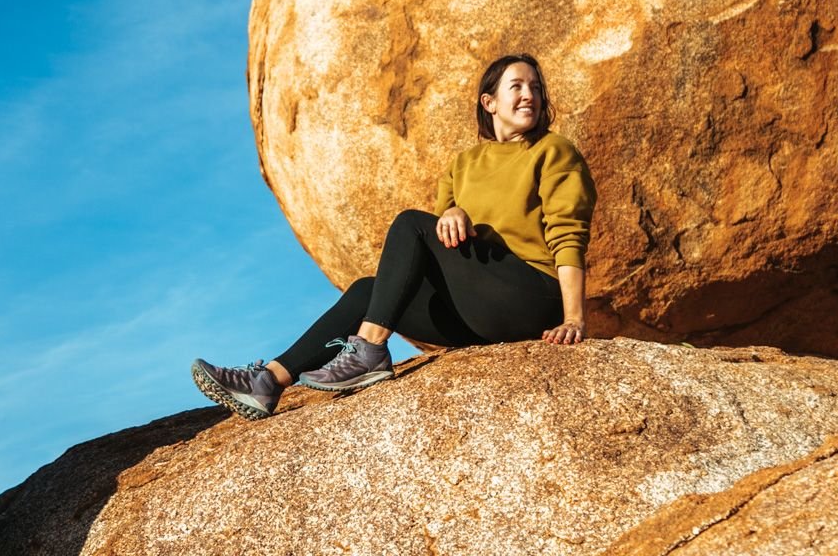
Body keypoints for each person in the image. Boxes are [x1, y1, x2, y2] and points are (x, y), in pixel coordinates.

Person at [191, 53, 596, 420]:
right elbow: (441, 243)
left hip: (531, 297)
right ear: (489, 103)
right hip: (479, 315)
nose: (529, 96)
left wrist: (573, 317)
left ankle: (368, 350)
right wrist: (452, 213)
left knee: (409, 223)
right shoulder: (464, 165)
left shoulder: (553, 151)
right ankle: (268, 382)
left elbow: (568, 234)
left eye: (536, 88)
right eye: (517, 87)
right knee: (368, 289)